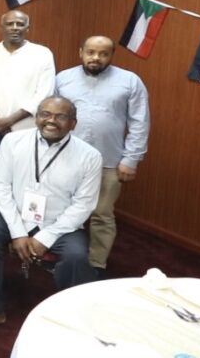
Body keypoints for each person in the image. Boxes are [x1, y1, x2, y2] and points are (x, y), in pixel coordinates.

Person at [0, 97, 101, 330]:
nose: (51, 121)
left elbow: (83, 205)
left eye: (60, 117)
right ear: (36, 117)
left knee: (77, 255)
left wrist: (45, 237)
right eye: (45, 114)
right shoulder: (12, 141)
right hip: (14, 214)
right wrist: (18, 232)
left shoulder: (90, 156)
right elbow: (0, 186)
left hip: (60, 223)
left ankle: (70, 319)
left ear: (73, 123)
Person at [55, 36, 149, 275]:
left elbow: (139, 122)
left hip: (109, 161)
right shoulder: (62, 79)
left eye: (103, 53)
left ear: (111, 55)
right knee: (62, 209)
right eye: (91, 52)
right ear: (81, 52)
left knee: (102, 214)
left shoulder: (130, 81)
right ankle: (63, 257)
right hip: (66, 158)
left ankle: (96, 263)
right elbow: (51, 117)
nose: (96, 57)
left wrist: (131, 159)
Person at [0, 10, 55, 224]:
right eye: (10, 24)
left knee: (22, 184)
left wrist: (9, 121)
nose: (15, 27)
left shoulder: (42, 54)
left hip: (24, 133)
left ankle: (18, 231)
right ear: (2, 27)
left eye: (20, 24)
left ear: (28, 28)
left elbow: (43, 94)